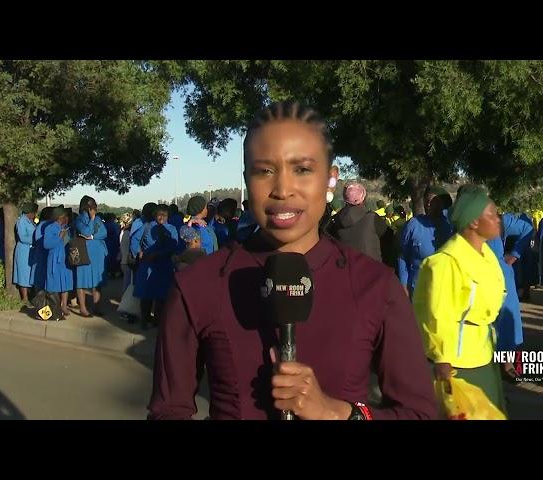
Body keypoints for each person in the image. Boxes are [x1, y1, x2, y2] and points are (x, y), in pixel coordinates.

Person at [149, 101, 437, 420]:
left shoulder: (377, 287)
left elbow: (417, 413)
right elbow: (168, 410)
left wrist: (337, 413)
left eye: (302, 169)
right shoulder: (197, 286)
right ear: (247, 179)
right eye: (265, 171)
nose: (283, 189)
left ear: (330, 179)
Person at [413, 185, 507, 415]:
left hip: (484, 351)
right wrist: (442, 360)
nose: (498, 220)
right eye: (492, 215)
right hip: (458, 363)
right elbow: (437, 314)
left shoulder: (487, 255)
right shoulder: (446, 262)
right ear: (474, 222)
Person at [488, 211, 533, 379]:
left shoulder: (498, 220)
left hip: (500, 274)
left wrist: (514, 254)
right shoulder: (456, 223)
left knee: (507, 319)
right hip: (471, 274)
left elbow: (527, 228)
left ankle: (507, 364)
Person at [397, 186, 454, 298]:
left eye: (433, 201)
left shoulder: (451, 226)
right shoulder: (413, 225)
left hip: (445, 292)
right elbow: (403, 256)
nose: (428, 204)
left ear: (442, 204)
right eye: (426, 200)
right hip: (418, 291)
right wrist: (403, 285)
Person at [134, 204, 178, 330]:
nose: (161, 218)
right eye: (159, 215)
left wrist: (159, 254)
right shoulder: (147, 226)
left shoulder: (172, 229)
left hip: (164, 265)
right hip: (148, 265)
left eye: (164, 215)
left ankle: (157, 320)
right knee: (146, 296)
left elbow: (173, 246)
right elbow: (135, 239)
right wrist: (139, 252)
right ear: (155, 215)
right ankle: (144, 319)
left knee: (161, 296)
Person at [328, 182, 388, 262]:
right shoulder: (372, 218)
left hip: (345, 269)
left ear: (345, 198)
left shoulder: (334, 221)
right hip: (372, 269)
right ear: (363, 198)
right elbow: (388, 238)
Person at [75, 196, 108, 318]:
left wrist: (94, 237)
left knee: (97, 282)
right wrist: (92, 219)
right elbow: (86, 232)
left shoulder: (98, 219)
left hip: (98, 254)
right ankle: (83, 308)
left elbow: (104, 232)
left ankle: (96, 306)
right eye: (92, 206)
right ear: (86, 207)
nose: (94, 208)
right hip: (84, 252)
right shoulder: (79, 219)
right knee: (82, 281)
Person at [43, 207, 73, 317]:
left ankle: (64, 305)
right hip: (55, 260)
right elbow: (46, 244)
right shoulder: (50, 228)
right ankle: (54, 306)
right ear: (60, 217)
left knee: (66, 283)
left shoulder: (66, 228)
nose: (67, 219)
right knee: (53, 284)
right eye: (65, 216)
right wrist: (59, 237)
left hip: (66, 259)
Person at [13, 203, 38, 306]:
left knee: (30, 273)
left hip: (31, 250)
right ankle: (25, 299)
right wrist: (35, 241)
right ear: (30, 212)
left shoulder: (30, 221)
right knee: (23, 274)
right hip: (23, 250)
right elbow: (23, 237)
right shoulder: (21, 221)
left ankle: (31, 296)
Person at [30, 207, 54, 292]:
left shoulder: (48, 224)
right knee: (40, 277)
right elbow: (39, 240)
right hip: (41, 254)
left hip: (45, 253)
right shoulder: (42, 225)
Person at [118, 212, 134, 294]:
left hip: (123, 260)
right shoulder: (127, 234)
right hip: (127, 260)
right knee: (128, 283)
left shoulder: (123, 232)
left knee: (126, 282)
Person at [104, 213, 121, 278]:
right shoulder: (116, 225)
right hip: (114, 244)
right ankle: (115, 272)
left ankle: (108, 272)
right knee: (114, 259)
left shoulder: (103, 225)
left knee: (107, 259)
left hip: (106, 244)